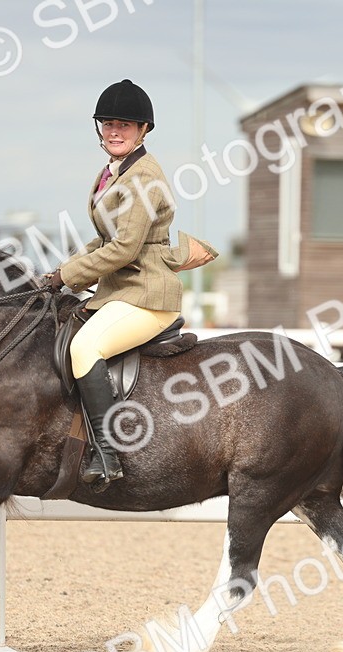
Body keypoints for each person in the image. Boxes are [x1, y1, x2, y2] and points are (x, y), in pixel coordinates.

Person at [46, 79, 214, 489]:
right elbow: (103, 240)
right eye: (108, 124)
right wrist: (59, 272)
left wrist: (68, 276)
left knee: (85, 348)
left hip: (147, 295)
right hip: (121, 291)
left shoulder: (143, 177)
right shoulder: (112, 172)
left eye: (124, 124)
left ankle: (108, 453)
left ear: (143, 130)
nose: (114, 131)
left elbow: (122, 249)